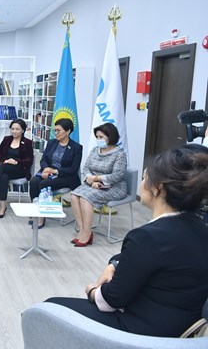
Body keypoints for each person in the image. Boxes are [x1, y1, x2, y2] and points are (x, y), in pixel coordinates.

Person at [45, 144, 208, 338]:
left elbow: (110, 301)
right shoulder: (199, 228)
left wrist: (92, 291)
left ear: (158, 188)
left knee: (46, 311)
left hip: (139, 333)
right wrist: (114, 264)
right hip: (179, 330)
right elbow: (154, 257)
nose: (141, 183)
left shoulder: (147, 237)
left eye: (144, 178)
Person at [69, 123, 127, 247]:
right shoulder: (95, 150)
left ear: (110, 137)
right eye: (97, 137)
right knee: (74, 195)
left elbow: (117, 175)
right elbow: (86, 168)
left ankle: (87, 232)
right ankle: (82, 230)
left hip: (115, 187)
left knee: (85, 198)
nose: (98, 139)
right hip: (93, 184)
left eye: (101, 137)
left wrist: (97, 178)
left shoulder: (119, 154)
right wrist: (91, 180)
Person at [29, 118, 82, 228]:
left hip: (66, 176)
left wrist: (55, 171)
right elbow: (43, 160)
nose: (56, 133)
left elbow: (73, 169)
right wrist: (46, 169)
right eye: (55, 130)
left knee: (43, 184)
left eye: (59, 130)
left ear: (68, 131)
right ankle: (35, 211)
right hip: (48, 171)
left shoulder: (76, 148)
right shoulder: (52, 142)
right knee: (34, 182)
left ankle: (42, 215)